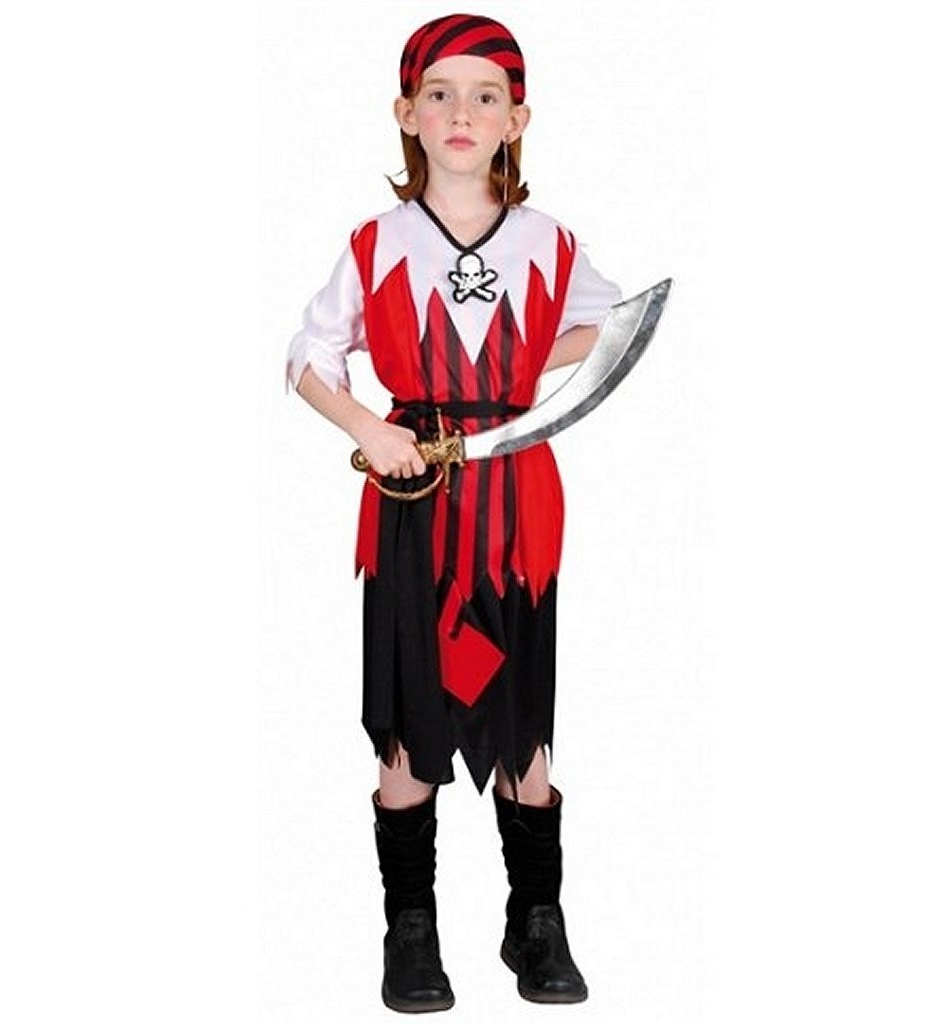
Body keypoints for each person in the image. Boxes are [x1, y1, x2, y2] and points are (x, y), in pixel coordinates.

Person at [287, 13, 622, 1012]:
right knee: (411, 716)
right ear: (407, 114)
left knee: (521, 720)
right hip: (412, 496)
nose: (462, 112)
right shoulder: (376, 241)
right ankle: (411, 931)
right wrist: (369, 425)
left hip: (516, 496)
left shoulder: (548, 241)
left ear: (518, 119)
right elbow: (307, 355)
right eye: (440, 94)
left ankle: (536, 922)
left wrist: (528, 367)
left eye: (486, 96)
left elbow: (606, 326)